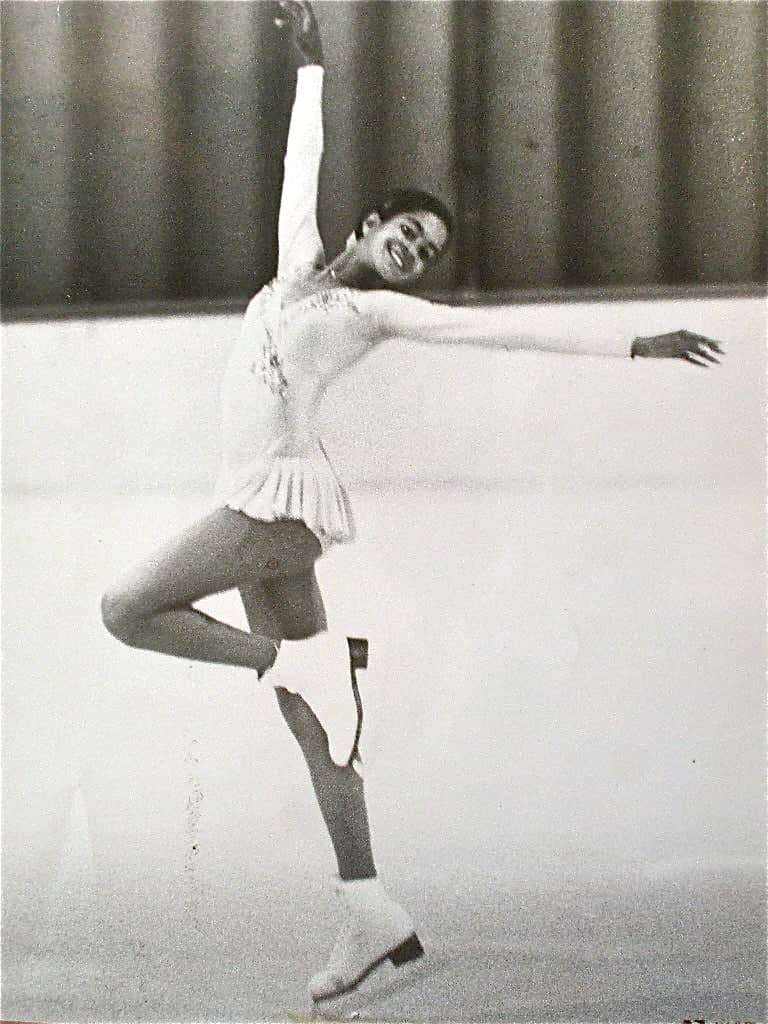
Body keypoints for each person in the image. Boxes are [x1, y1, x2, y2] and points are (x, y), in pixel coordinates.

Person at [100, 0, 724, 1005]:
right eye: (407, 233)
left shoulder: (378, 312)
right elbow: (297, 168)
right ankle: (372, 916)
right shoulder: (295, 268)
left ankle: (295, 660)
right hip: (269, 511)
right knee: (319, 726)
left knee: (126, 609)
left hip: (273, 512)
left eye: (429, 249)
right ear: (370, 224)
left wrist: (632, 344)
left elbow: (495, 338)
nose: (415, 251)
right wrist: (312, 71)